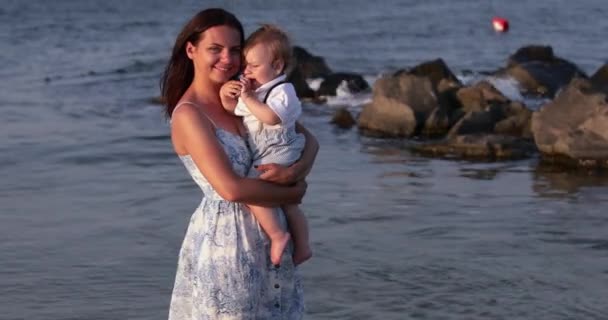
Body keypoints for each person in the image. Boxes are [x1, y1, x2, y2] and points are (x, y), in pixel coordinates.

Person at [161, 8, 318, 319]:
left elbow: (310, 141)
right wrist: (293, 193)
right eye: (215, 49)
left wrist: (294, 172)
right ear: (191, 50)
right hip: (228, 244)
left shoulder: (249, 97)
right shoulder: (190, 114)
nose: (227, 59)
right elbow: (231, 189)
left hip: (273, 238)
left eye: (235, 50)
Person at [220, 24, 312, 267]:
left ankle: (278, 235)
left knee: (253, 191)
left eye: (254, 66)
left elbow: (271, 117)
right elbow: (235, 111)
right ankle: (303, 247)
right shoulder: (258, 91)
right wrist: (225, 95)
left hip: (279, 150)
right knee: (290, 205)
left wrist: (249, 98)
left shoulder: (283, 90)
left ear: (278, 66)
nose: (246, 71)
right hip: (272, 150)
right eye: (245, 66)